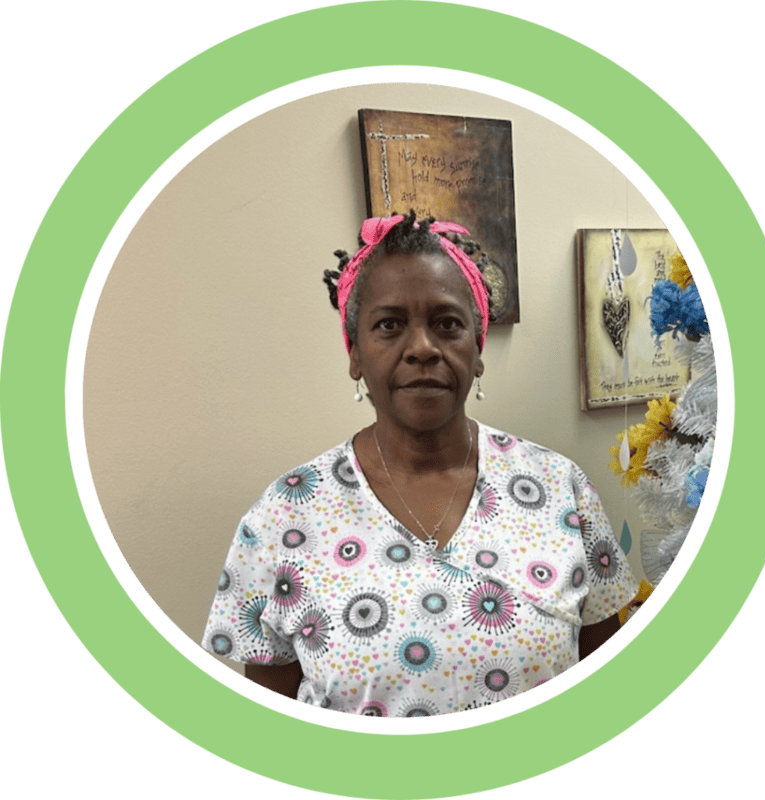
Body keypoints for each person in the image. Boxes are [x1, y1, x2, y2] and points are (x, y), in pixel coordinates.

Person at [201, 212, 638, 716]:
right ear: (355, 355)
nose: (422, 348)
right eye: (389, 325)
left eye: (447, 324)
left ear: (477, 349)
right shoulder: (283, 517)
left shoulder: (561, 489)